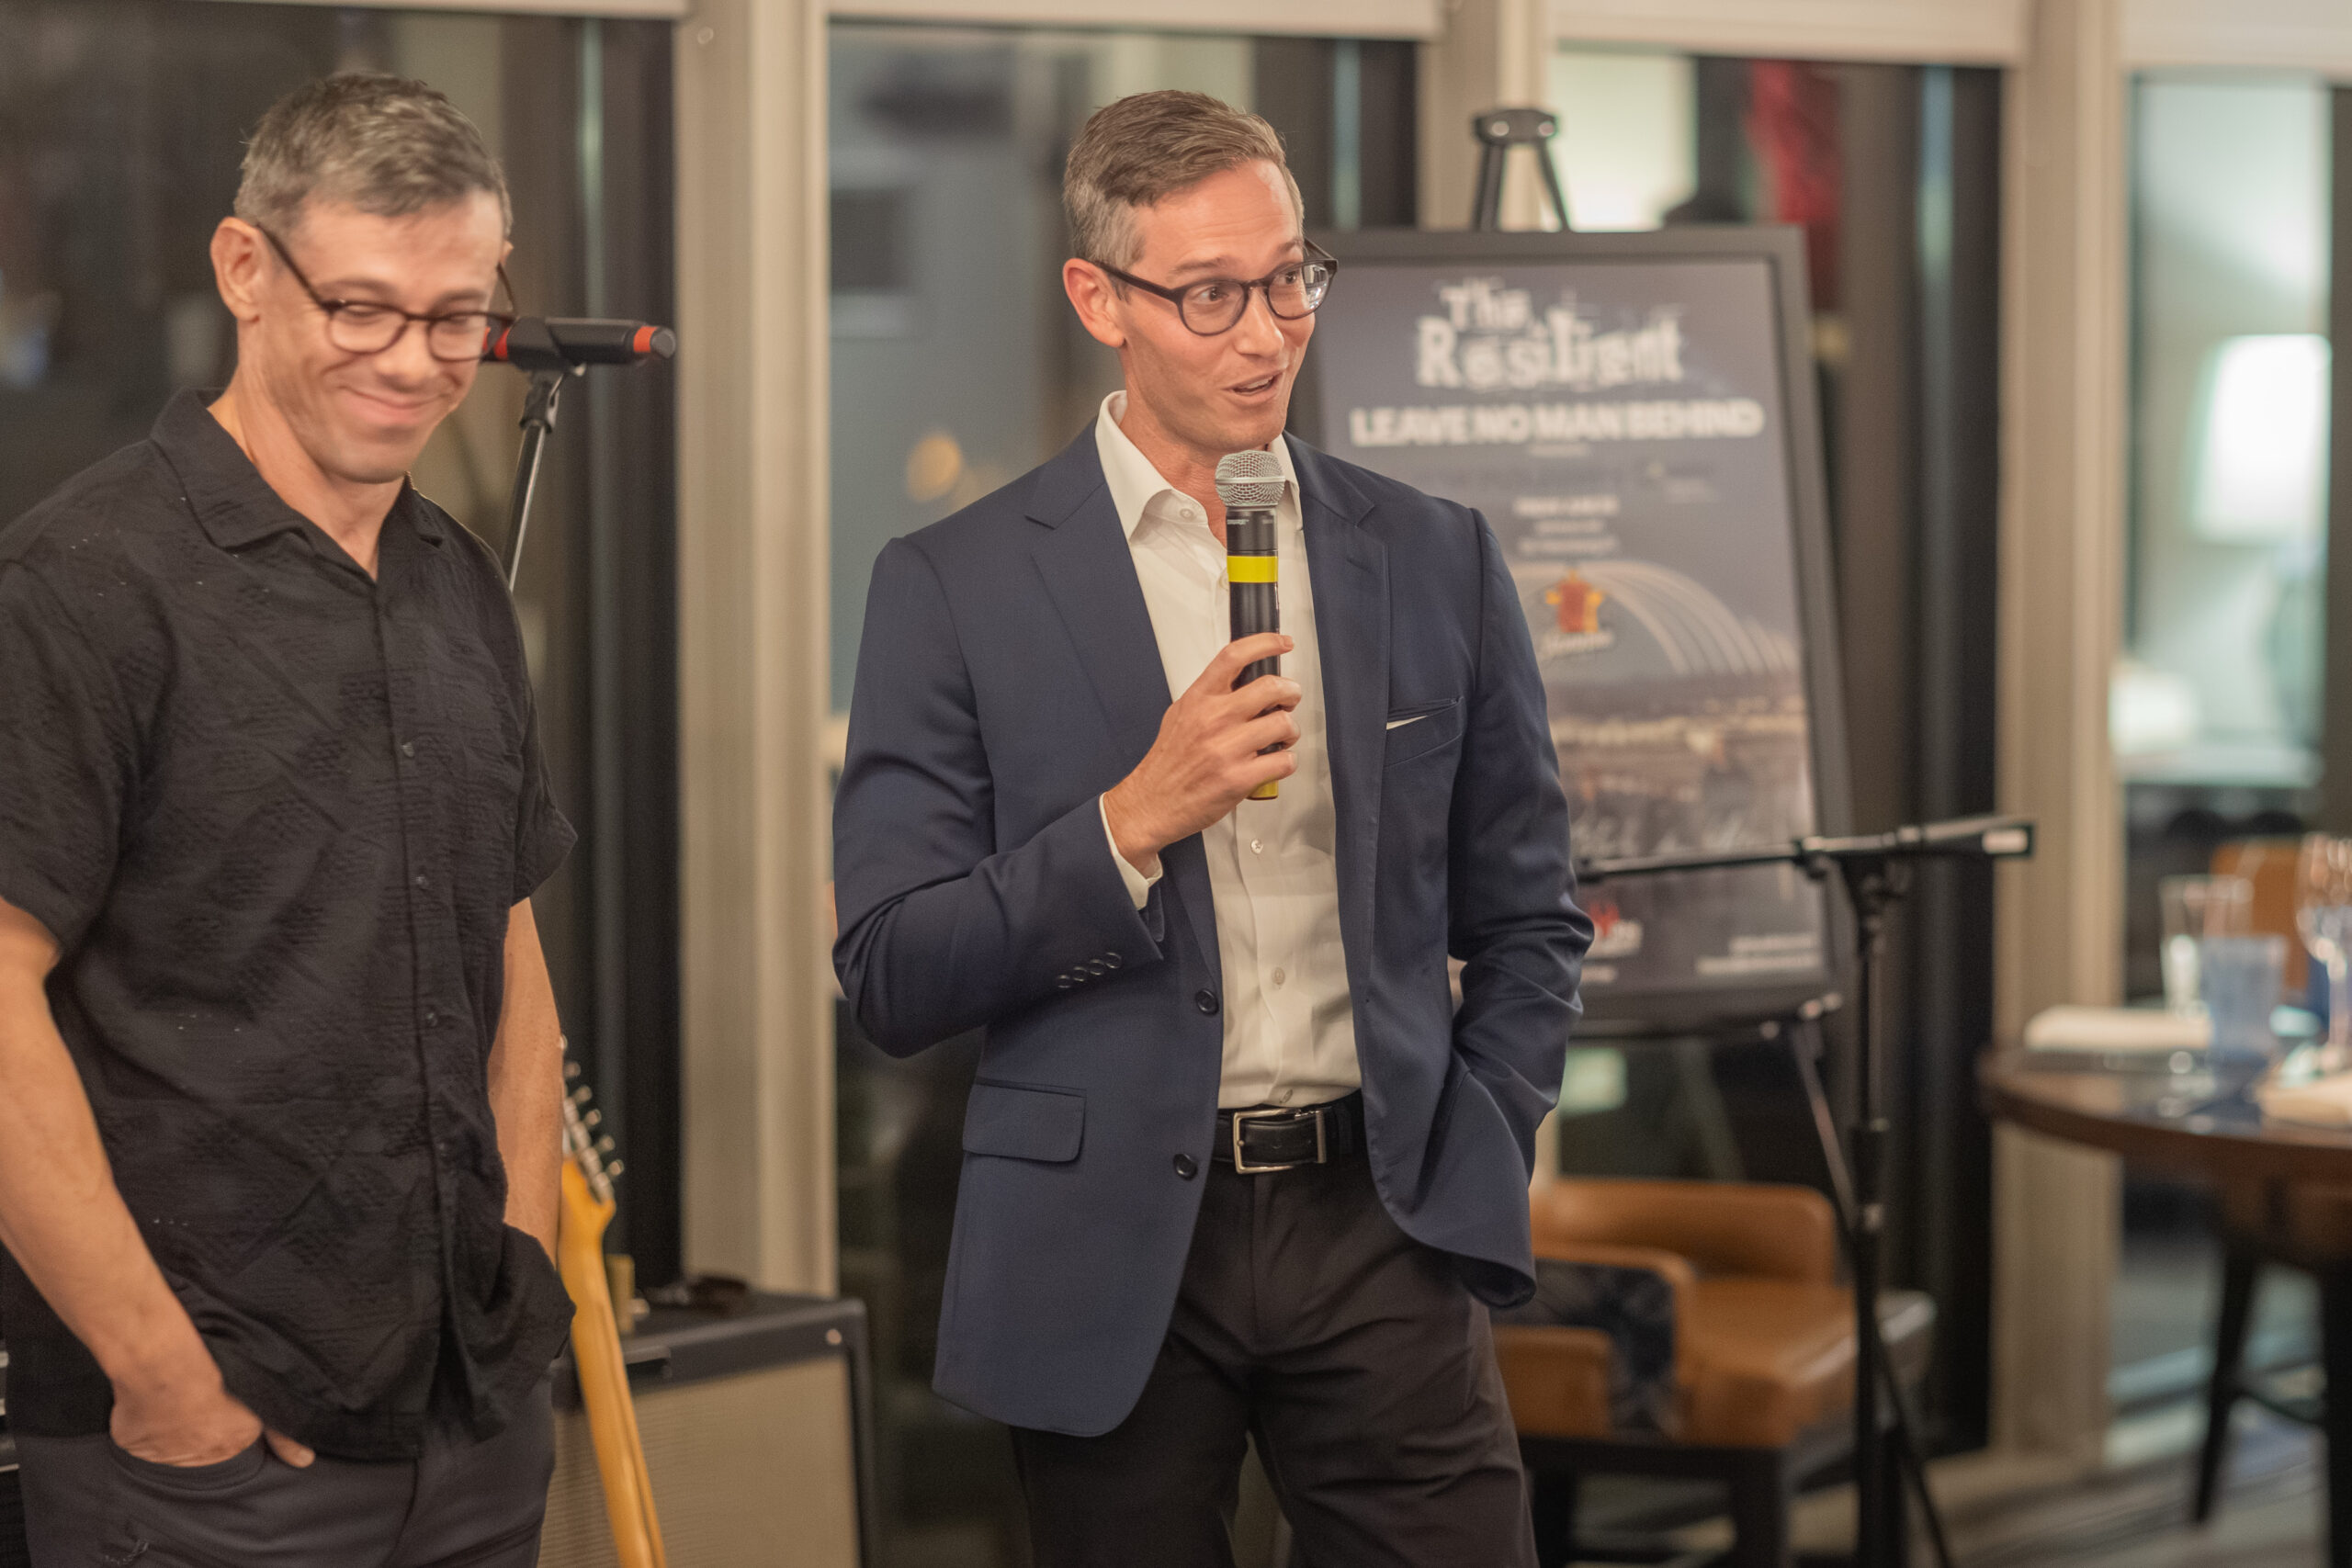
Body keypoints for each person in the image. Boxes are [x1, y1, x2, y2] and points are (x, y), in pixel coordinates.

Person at [833, 90, 1591, 1567]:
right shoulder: (954, 585)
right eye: (1211, 295)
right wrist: (1130, 822)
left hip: (1384, 1215)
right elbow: (891, 969)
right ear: (1098, 299)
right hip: (1105, 1241)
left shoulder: (1434, 553)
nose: (1268, 335)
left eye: (1290, 278)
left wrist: (1483, 1126)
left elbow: (1532, 914)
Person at [0, 73, 573, 1566]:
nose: (417, 362)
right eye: (364, 308)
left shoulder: (458, 581)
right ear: (245, 269)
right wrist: (163, 1380)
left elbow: (509, 957)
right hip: (201, 1463)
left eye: (457, 316)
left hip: (472, 1425)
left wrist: (521, 1266)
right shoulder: (80, 588)